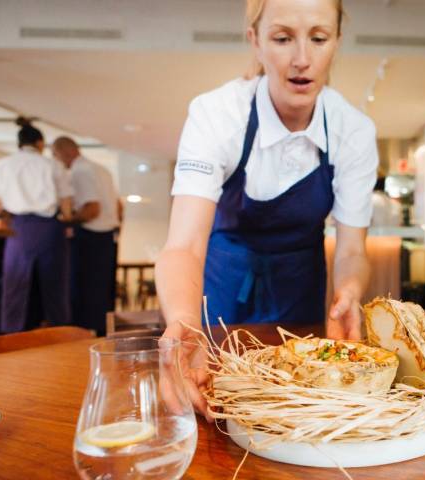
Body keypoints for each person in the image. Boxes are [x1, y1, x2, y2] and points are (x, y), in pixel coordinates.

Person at [156, 0, 378, 417]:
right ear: (255, 41)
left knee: (297, 407)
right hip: (220, 286)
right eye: (282, 38)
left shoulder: (354, 131)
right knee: (219, 406)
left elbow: (351, 251)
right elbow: (183, 245)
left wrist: (349, 291)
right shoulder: (217, 115)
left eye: (318, 38)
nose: (301, 59)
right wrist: (185, 322)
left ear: (337, 42)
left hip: (301, 289)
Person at [0, 120, 74, 333]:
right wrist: (67, 220)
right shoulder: (53, 165)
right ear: (39, 143)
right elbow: (66, 203)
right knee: (55, 284)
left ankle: (11, 334)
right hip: (49, 227)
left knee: (15, 283)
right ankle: (59, 332)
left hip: (18, 229)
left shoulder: (2, 165)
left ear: (19, 143)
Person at [52, 136, 121, 336]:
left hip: (90, 238)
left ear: (65, 151)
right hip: (108, 238)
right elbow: (118, 206)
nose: (57, 160)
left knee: (84, 293)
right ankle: (103, 335)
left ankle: (81, 339)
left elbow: (92, 209)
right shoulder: (101, 169)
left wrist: (66, 220)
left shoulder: (80, 171)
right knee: (103, 292)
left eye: (56, 155)